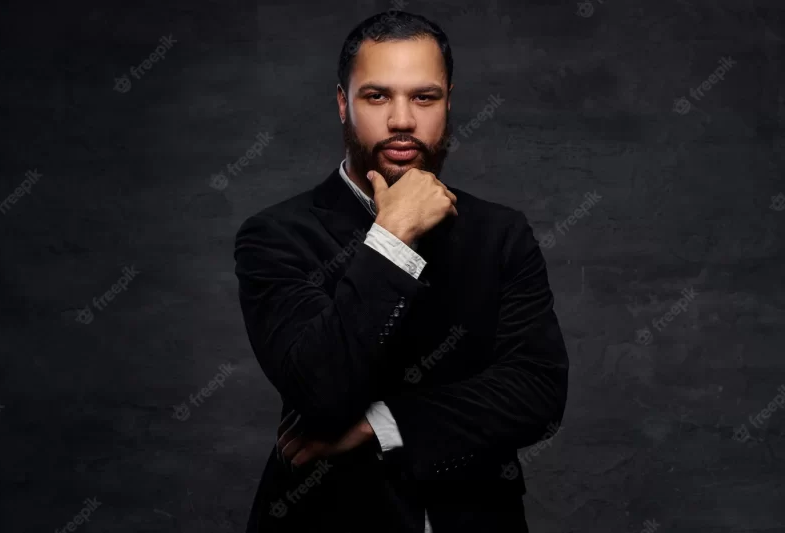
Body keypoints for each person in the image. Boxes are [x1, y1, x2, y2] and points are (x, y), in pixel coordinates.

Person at [234, 10, 569, 533]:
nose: (402, 120)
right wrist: (392, 237)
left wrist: (379, 424)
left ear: (449, 102)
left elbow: (538, 394)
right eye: (377, 96)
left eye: (424, 97)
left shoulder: (501, 233)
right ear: (343, 103)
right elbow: (319, 392)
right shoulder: (276, 236)